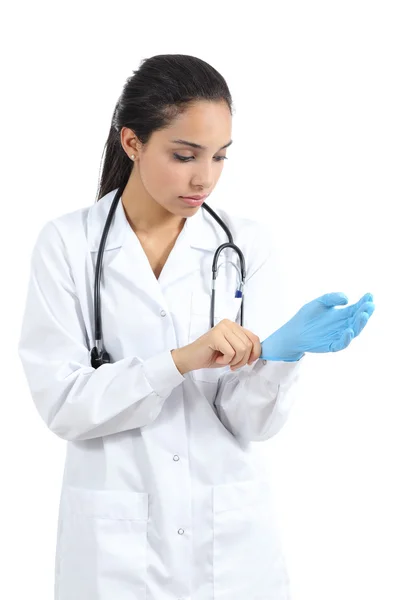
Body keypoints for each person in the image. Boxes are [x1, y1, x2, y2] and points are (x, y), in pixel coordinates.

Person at [17, 54, 375, 600]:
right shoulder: (68, 245)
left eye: (219, 157)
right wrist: (179, 361)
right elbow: (63, 405)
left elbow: (251, 423)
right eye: (184, 155)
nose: (204, 177)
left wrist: (280, 356)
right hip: (114, 554)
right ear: (132, 142)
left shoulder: (245, 245)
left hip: (230, 550)